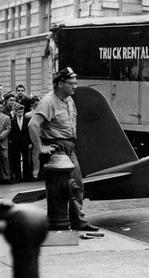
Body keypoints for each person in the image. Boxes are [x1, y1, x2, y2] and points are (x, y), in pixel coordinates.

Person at [28, 67, 99, 232]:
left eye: (76, 83)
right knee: (64, 188)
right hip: (57, 148)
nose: (75, 87)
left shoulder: (68, 99)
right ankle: (61, 223)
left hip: (69, 146)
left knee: (76, 186)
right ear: (60, 84)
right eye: (72, 84)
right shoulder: (49, 101)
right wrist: (40, 147)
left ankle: (77, 222)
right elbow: (33, 124)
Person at [9, 103, 32, 183]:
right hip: (16, 143)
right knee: (16, 160)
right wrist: (11, 141)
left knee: (26, 159)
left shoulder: (27, 120)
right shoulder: (12, 121)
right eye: (18, 112)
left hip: (25, 142)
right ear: (15, 111)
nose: (20, 114)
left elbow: (29, 132)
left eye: (22, 112)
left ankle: (27, 176)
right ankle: (18, 177)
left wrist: (30, 142)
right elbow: (11, 132)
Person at [0, 109, 10, 184]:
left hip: (2, 141)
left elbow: (8, 128)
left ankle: (6, 177)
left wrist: (1, 136)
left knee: (5, 158)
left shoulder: (6, 117)